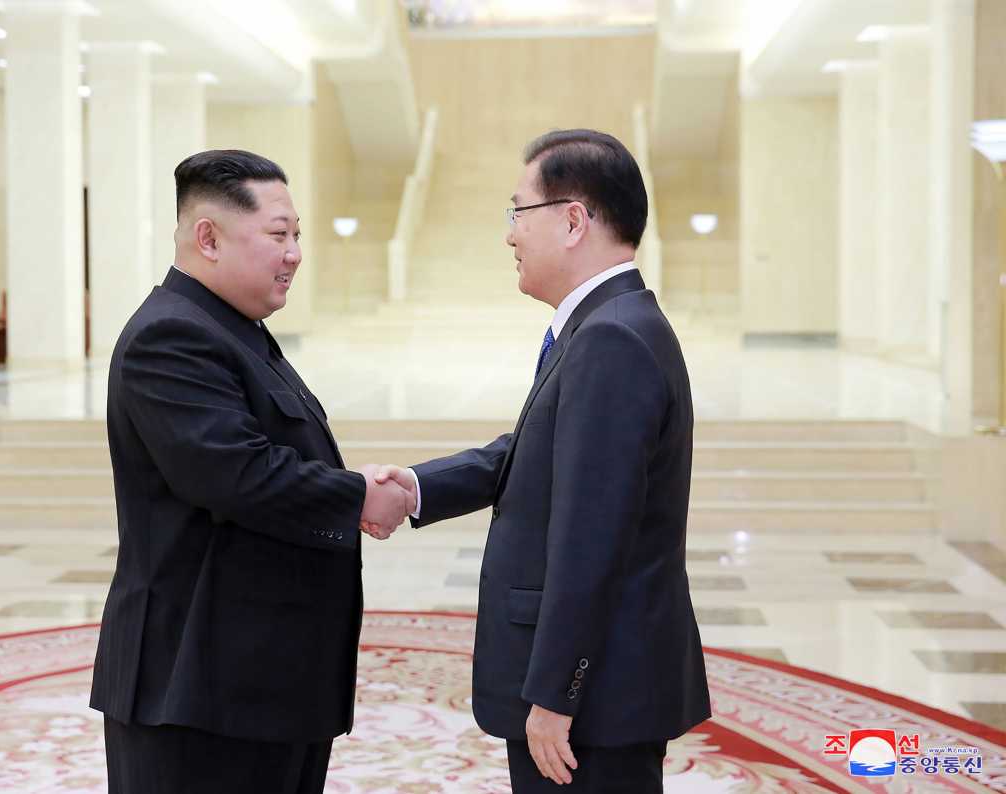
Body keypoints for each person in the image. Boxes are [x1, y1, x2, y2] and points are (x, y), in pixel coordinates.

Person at [366, 129, 711, 792]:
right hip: (603, 689)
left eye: (518, 212)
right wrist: (416, 489)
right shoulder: (607, 324)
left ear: (574, 219)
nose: (509, 234)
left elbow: (593, 537)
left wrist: (556, 695)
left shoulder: (612, 339)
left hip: (594, 702)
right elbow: (536, 457)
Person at [89, 149, 413, 794]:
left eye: (297, 236)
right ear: (207, 237)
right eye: (278, 235)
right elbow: (236, 473)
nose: (294, 253)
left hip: (260, 677)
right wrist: (357, 498)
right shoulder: (172, 336)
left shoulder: (234, 329)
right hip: (198, 685)